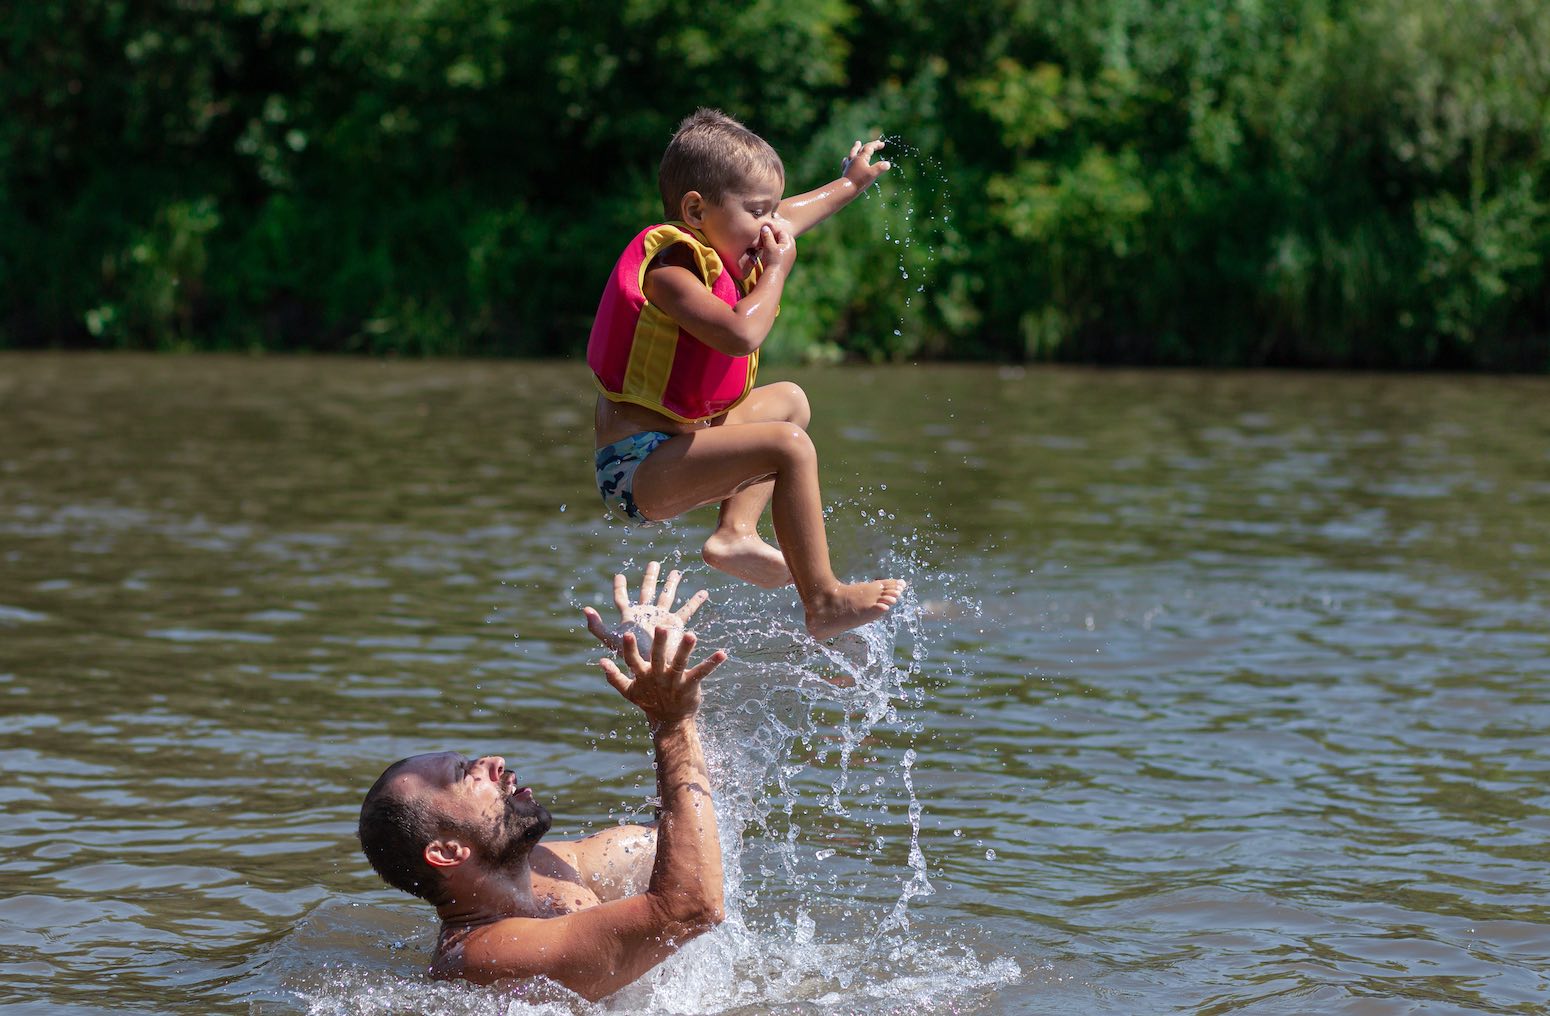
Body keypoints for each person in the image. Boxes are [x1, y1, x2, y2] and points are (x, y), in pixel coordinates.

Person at [587, 107, 905, 640]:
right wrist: (777, 271)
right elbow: (740, 334)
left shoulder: (735, 241)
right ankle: (823, 601)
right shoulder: (670, 273)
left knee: (791, 402)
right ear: (695, 210)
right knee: (788, 446)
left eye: (771, 209)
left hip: (681, 443)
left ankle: (735, 533)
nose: (771, 225)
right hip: (635, 470)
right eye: (757, 211)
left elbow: (797, 213)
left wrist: (849, 183)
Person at [358, 565, 727, 1001]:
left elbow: (694, 840)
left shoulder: (551, 867)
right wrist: (669, 723)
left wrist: (654, 667)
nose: (492, 761)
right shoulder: (484, 956)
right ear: (446, 851)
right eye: (465, 774)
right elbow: (690, 909)